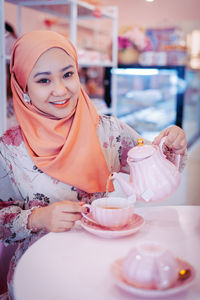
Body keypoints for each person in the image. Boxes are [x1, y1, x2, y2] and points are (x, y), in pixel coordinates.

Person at [0, 30, 187, 299]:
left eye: (68, 74)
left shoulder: (108, 131)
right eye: (43, 80)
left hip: (101, 259)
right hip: (39, 271)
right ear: (23, 87)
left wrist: (171, 146)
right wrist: (38, 218)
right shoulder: (9, 150)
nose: (61, 90)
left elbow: (157, 168)